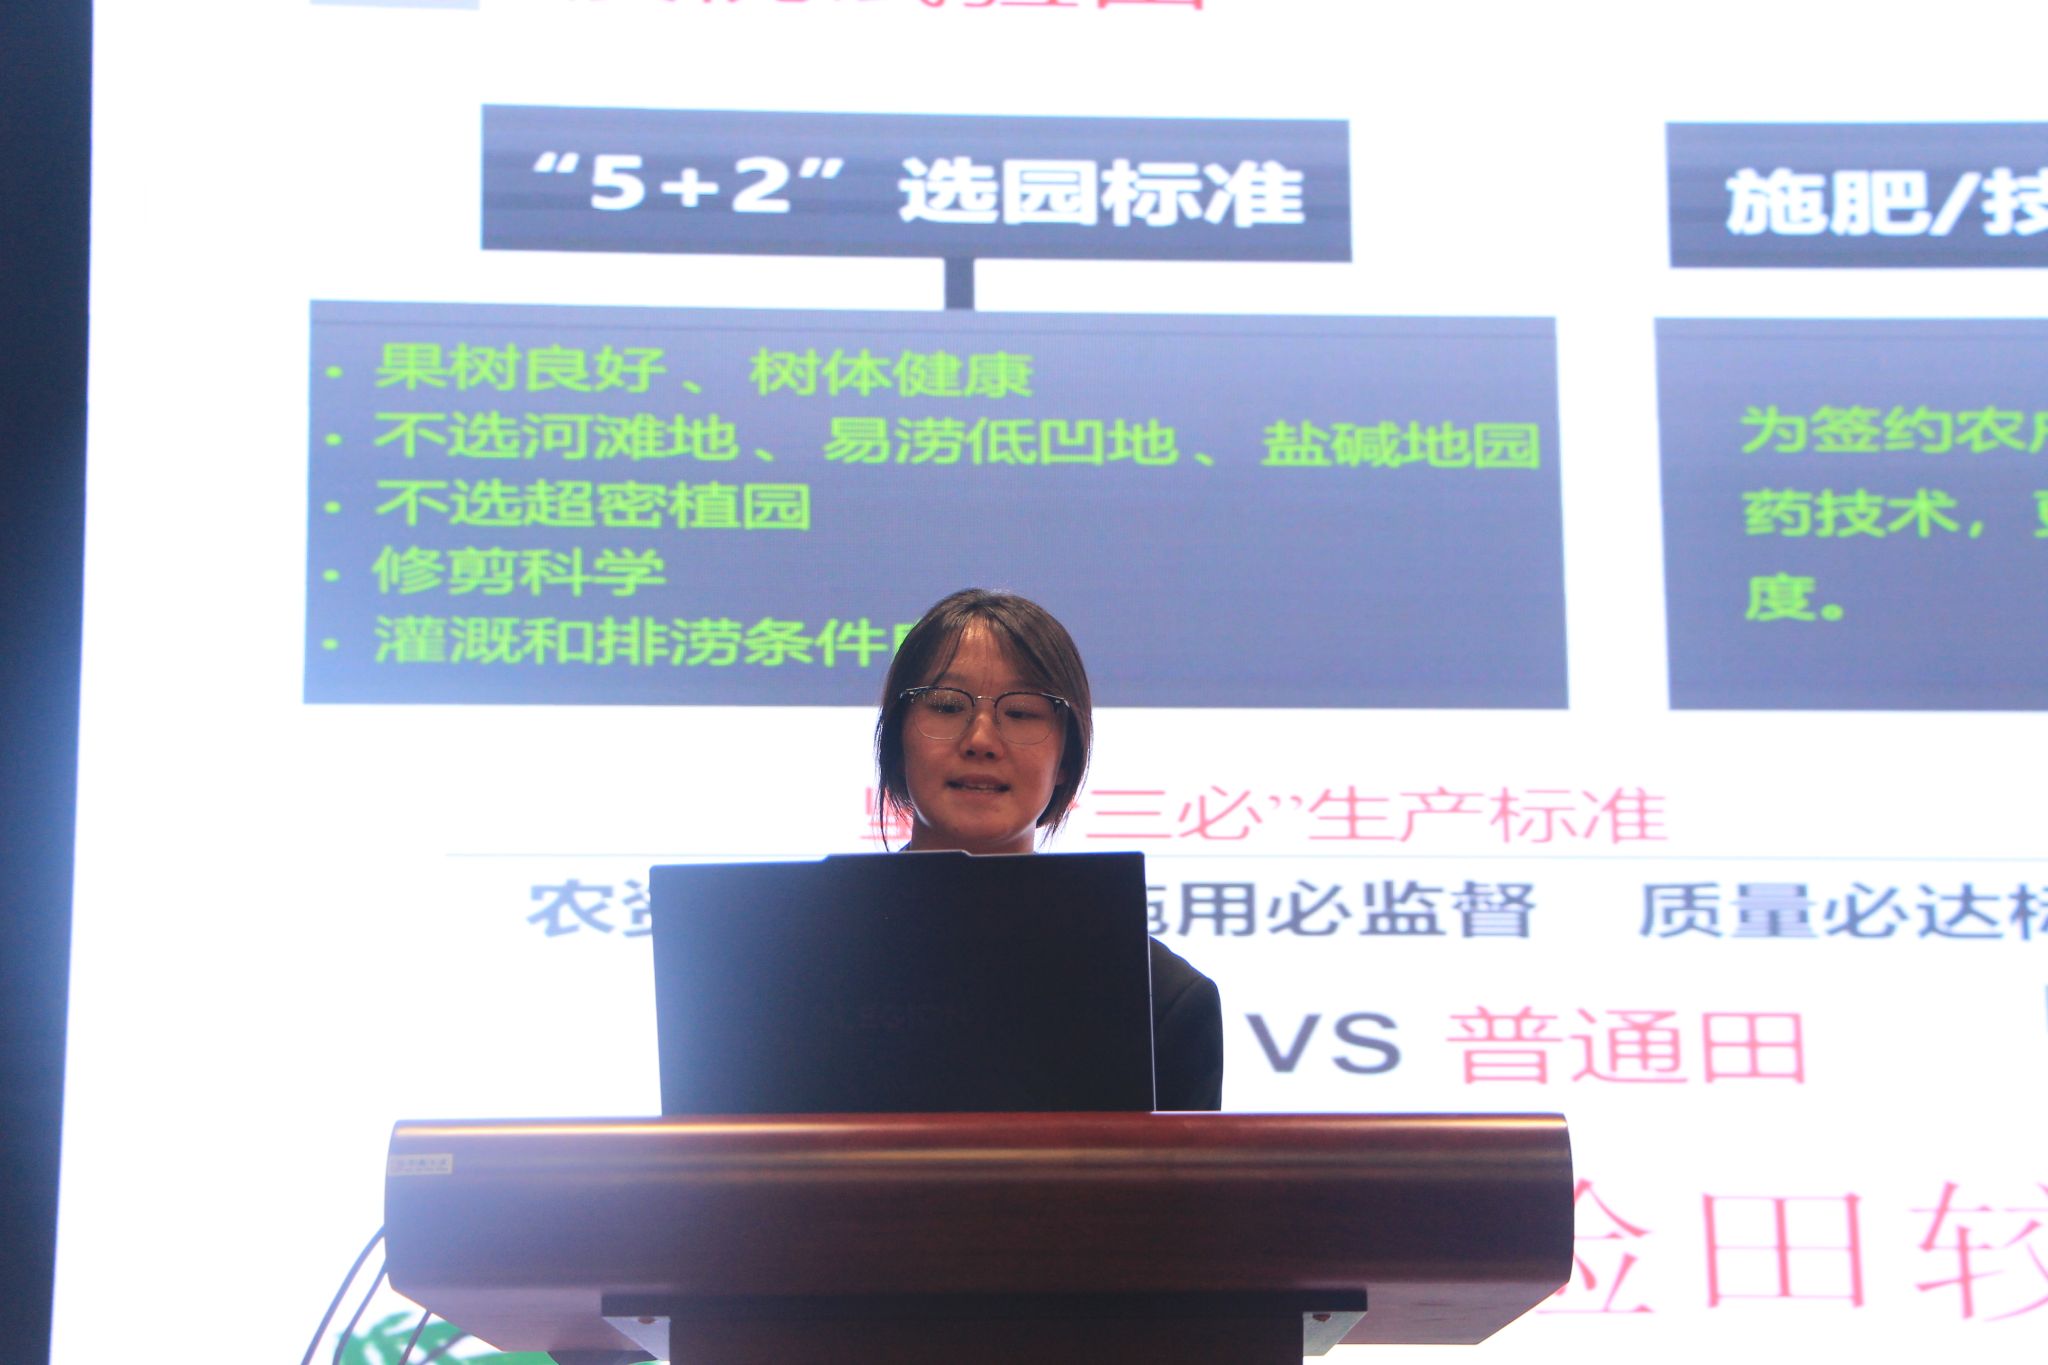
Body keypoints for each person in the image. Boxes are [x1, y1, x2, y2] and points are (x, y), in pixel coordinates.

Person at [874, 587, 1223, 1110]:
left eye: (1021, 713)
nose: (981, 740)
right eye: (947, 705)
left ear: (1066, 759)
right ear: (898, 742)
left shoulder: (1162, 997)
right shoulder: (796, 961)